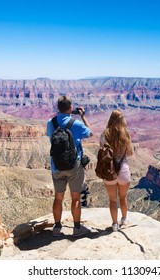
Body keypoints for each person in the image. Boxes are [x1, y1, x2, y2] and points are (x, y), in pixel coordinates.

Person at [46, 96, 93, 237]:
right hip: (74, 167)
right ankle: (77, 228)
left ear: (58, 107)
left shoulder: (51, 122)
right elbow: (90, 133)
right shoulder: (76, 123)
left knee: (58, 197)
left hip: (57, 166)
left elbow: (50, 137)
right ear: (71, 107)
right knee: (76, 197)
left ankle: (57, 227)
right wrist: (83, 117)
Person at [100, 109, 133, 232]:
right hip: (123, 171)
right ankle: (124, 220)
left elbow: (101, 149)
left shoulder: (105, 134)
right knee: (123, 198)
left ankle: (114, 224)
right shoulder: (126, 134)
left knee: (113, 200)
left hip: (109, 171)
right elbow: (130, 153)